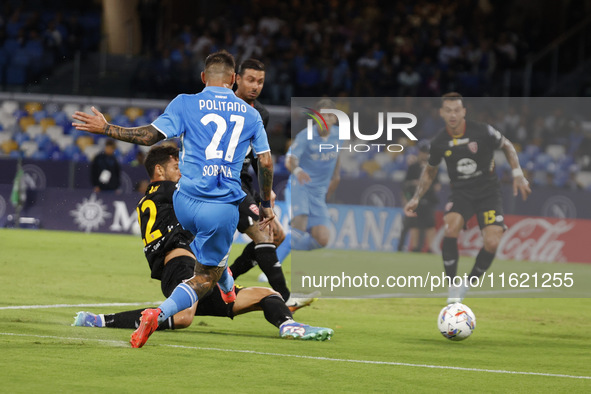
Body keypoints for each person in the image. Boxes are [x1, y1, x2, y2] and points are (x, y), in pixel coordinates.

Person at [72, 50, 276, 348]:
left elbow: (149, 137)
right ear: (234, 80)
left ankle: (228, 288)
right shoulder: (252, 115)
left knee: (209, 254)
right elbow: (266, 163)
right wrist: (266, 204)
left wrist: (106, 128)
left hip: (184, 203)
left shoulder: (184, 102)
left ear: (204, 77)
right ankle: (158, 313)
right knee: (205, 276)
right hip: (220, 208)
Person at [72, 145, 333, 341]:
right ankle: (100, 320)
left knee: (268, 295)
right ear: (160, 171)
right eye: (177, 167)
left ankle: (288, 325)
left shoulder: (152, 199)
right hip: (180, 264)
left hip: (200, 271)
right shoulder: (172, 191)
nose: (182, 171)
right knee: (183, 317)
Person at [403, 92, 531, 303]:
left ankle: (467, 283)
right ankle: (453, 285)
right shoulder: (439, 142)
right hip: (461, 192)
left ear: (463, 112)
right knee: (450, 227)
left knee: (491, 242)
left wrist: (518, 174)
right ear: (441, 113)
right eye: (448, 111)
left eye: (456, 110)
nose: (452, 115)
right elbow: (430, 171)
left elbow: (507, 145)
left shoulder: (482, 131)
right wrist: (417, 197)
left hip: (489, 193)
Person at [228, 58, 317, 307]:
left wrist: (266, 193)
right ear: (236, 78)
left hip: (245, 183)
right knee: (265, 236)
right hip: (226, 183)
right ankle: (285, 299)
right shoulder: (221, 104)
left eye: (260, 82)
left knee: (276, 235)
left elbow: (259, 156)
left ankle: (229, 278)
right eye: (250, 80)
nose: (256, 86)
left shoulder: (261, 114)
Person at [285, 98, 341, 250]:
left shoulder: (339, 136)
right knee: (299, 226)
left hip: (318, 193)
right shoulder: (305, 135)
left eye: (330, 115)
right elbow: (290, 160)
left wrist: (335, 178)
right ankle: (269, 271)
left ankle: (282, 244)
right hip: (301, 186)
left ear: (335, 118)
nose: (326, 119)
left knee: (322, 239)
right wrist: (297, 170)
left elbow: (336, 165)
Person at [398, 141, 439, 253]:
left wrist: (424, 184)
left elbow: (437, 186)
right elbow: (405, 185)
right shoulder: (413, 167)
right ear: (419, 152)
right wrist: (407, 198)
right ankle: (415, 248)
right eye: (423, 152)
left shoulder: (433, 167)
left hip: (428, 200)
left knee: (430, 226)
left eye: (427, 152)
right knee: (414, 225)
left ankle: (431, 248)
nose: (425, 155)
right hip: (415, 200)